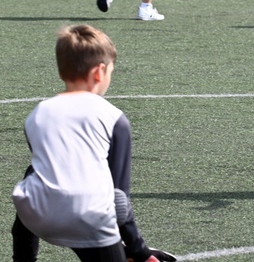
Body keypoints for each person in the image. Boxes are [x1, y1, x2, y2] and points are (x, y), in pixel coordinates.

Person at [11, 25, 175, 262]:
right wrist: (140, 250)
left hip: (36, 217)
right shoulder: (114, 118)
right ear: (99, 72)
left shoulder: (37, 114)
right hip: (87, 218)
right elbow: (118, 201)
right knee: (87, 210)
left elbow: (44, 173)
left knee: (34, 182)